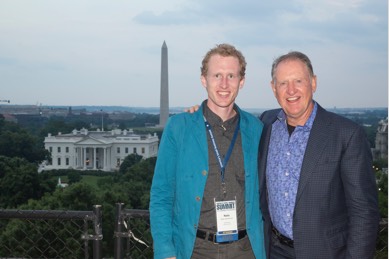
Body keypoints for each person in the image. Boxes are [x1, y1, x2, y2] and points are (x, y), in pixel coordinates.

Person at [259, 51, 380, 259]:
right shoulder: (266, 123)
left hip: (326, 253)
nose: (291, 90)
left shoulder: (346, 134)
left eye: (298, 81)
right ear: (273, 88)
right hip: (274, 250)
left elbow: (364, 213)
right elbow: (232, 125)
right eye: (283, 83)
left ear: (313, 83)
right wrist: (197, 114)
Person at [149, 43, 266, 259]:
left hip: (246, 250)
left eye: (231, 76)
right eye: (216, 75)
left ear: (242, 81)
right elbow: (162, 195)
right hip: (195, 249)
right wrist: (166, 251)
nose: (224, 84)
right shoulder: (179, 128)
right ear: (204, 80)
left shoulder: (257, 129)